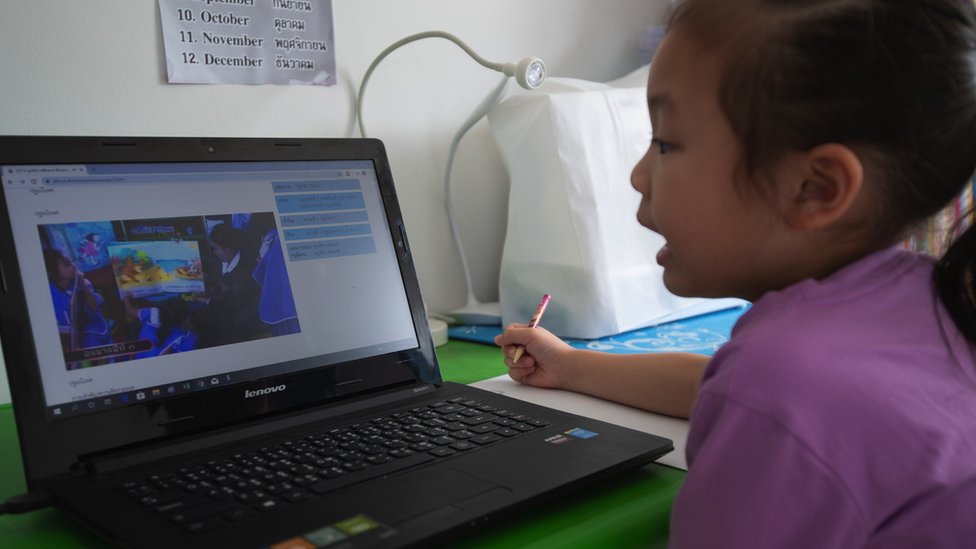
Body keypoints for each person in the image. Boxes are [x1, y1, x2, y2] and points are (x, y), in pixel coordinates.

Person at [494, 1, 976, 546]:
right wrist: (570, 365)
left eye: (666, 143)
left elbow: (760, 398)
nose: (637, 176)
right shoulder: (925, 298)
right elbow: (712, 386)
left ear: (814, 189)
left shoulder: (784, 380)